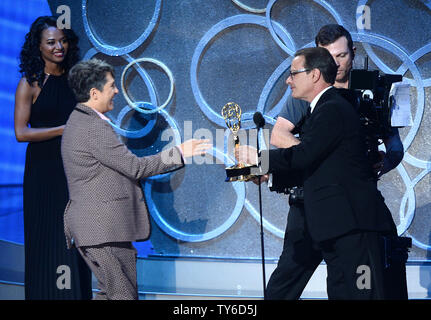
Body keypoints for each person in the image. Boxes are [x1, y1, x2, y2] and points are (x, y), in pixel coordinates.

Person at [237, 47, 397, 299]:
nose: (288, 80)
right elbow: (321, 168)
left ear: (314, 75)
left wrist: (259, 159)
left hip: (352, 227)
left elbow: (304, 155)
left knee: (360, 295)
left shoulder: (332, 108)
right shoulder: (323, 109)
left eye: (293, 74)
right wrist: (267, 174)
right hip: (336, 228)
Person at [62, 58, 211, 300]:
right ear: (94, 92)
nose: (117, 91)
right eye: (111, 86)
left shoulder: (81, 121)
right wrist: (180, 152)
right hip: (102, 229)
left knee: (109, 294)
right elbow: (135, 167)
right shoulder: (92, 127)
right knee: (122, 295)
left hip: (100, 229)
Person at [14, 16, 92, 300]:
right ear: (38, 46)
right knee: (48, 239)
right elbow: (21, 133)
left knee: (74, 239)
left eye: (62, 40)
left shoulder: (77, 79)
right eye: (51, 42)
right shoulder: (30, 83)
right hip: (43, 171)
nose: (59, 46)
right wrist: (62, 129)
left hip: (75, 169)